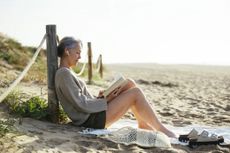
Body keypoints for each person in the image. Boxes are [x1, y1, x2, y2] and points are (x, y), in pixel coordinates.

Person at [55, 37, 177, 138]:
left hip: (93, 113)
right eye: (77, 53)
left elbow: (81, 99)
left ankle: (142, 123)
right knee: (135, 93)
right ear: (67, 51)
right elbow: (81, 104)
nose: (80, 57)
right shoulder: (64, 74)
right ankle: (162, 130)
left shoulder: (67, 72)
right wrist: (105, 100)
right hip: (91, 120)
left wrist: (100, 97)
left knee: (129, 83)